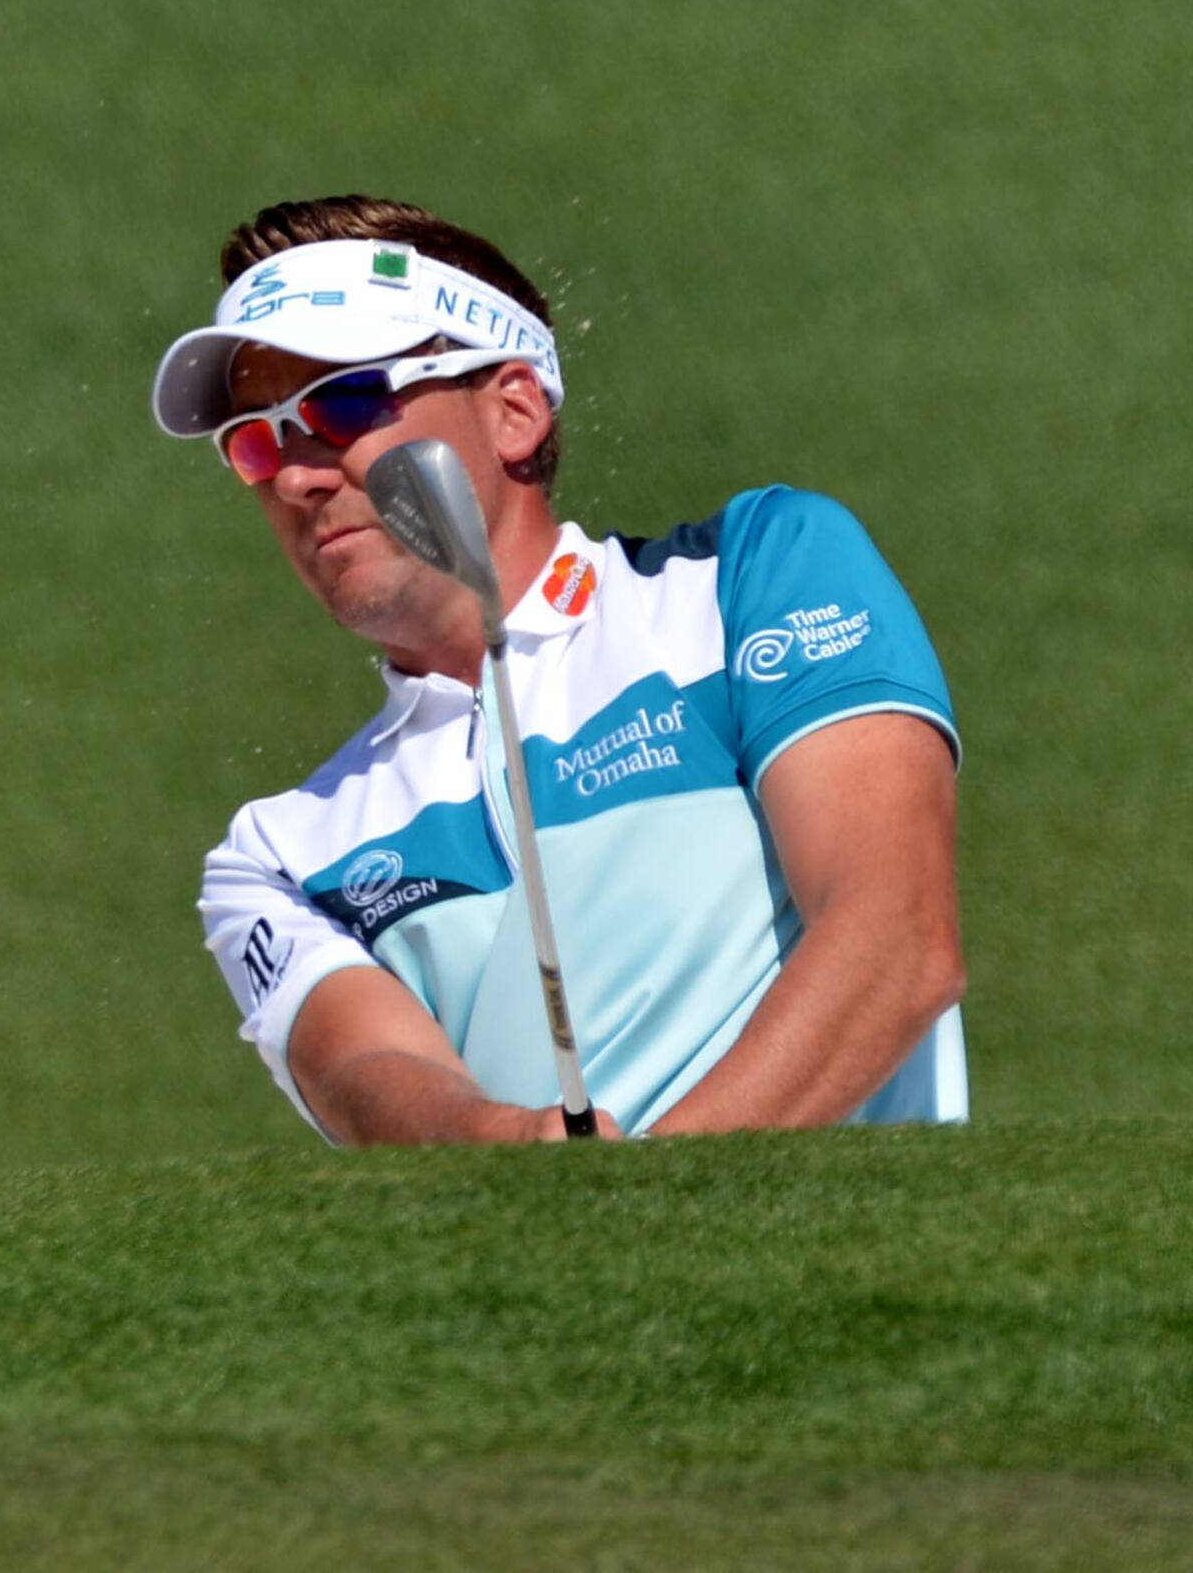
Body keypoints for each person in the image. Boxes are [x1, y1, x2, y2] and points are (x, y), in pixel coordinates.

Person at [151, 196, 966, 1144]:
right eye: (258, 439)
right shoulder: (277, 858)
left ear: (513, 412)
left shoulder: (753, 578)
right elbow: (374, 1076)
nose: (296, 473)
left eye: (343, 402)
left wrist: (647, 1213)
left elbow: (897, 939)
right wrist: (516, 1152)